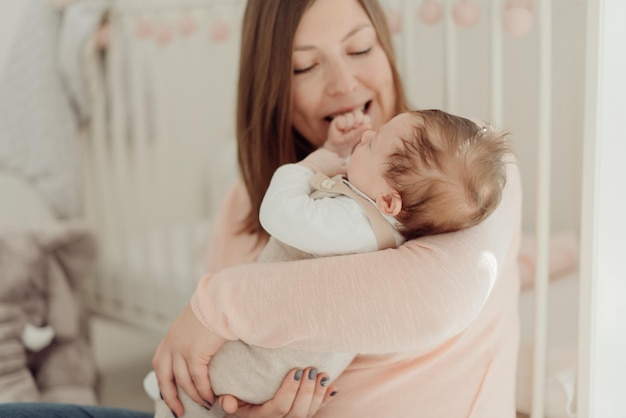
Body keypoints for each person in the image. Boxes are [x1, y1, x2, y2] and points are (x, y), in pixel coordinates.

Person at [0, 0, 522, 417]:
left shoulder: (467, 175)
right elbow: (219, 371)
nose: (343, 83)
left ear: (386, 50)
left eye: (360, 49)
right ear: (275, 87)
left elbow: (438, 296)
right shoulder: (248, 203)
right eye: (305, 64)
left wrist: (215, 305)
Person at [149, 107, 514, 418]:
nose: (366, 135)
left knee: (187, 392)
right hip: (285, 368)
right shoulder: (383, 228)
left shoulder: (354, 224)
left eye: (372, 144)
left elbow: (282, 213)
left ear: (387, 203)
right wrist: (335, 150)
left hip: (262, 360)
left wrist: (310, 164)